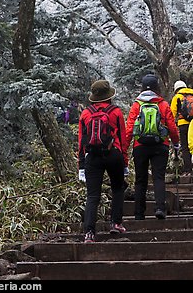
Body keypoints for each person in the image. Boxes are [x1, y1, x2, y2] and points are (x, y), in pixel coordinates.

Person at [77, 80, 129, 243]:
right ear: (109, 96)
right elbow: (122, 137)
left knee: (92, 195)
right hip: (113, 154)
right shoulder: (116, 112)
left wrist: (81, 165)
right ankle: (116, 223)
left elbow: (81, 141)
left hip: (92, 157)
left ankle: (89, 233)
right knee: (118, 188)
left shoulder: (86, 113)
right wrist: (125, 162)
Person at [125, 74, 180, 220]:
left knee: (140, 179)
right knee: (159, 177)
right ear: (157, 87)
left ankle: (138, 213)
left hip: (140, 145)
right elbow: (172, 127)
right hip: (160, 145)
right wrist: (176, 143)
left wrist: (124, 148)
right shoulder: (162, 104)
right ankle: (160, 208)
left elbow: (129, 129)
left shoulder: (137, 105)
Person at [170, 80, 193, 175]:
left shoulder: (177, 97)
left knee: (185, 147)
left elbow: (172, 113)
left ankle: (188, 169)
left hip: (183, 124)